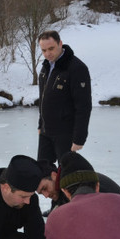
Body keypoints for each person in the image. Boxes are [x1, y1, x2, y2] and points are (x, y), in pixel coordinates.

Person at [36, 159, 120, 232]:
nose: (46, 195)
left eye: (45, 188)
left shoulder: (78, 185)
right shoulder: (61, 189)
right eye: (41, 193)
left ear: (54, 176)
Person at [37, 30, 92, 164]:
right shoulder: (45, 68)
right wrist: (40, 124)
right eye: (44, 50)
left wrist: (79, 138)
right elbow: (43, 99)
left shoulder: (76, 68)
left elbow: (83, 106)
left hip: (65, 134)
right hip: (46, 132)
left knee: (66, 176)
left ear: (60, 44)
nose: (47, 54)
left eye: (51, 48)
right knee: (43, 173)